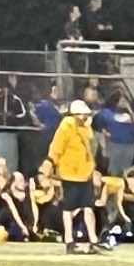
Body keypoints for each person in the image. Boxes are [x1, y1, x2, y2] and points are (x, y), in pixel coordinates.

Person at [47, 99, 100, 254]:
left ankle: (93, 240)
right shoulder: (66, 126)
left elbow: (89, 151)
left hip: (84, 174)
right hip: (70, 174)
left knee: (88, 207)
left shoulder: (86, 129)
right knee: (68, 208)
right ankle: (69, 240)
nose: (87, 117)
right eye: (84, 115)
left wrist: (92, 169)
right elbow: (57, 146)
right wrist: (50, 162)